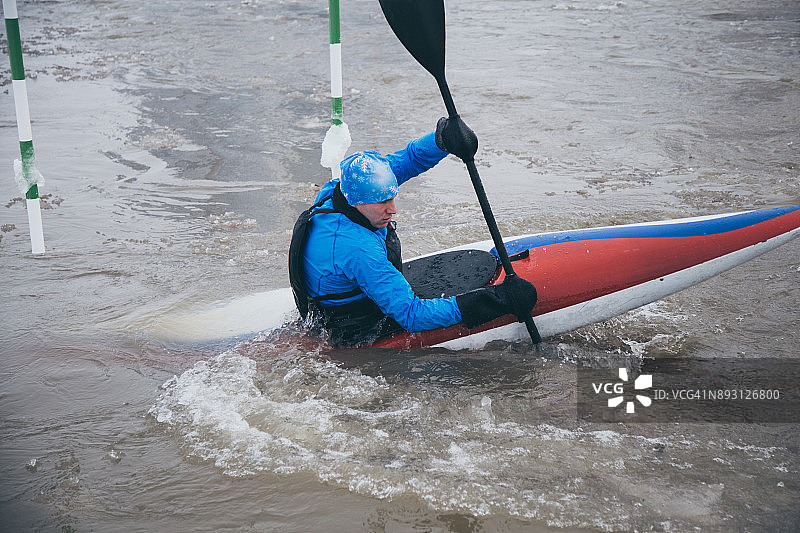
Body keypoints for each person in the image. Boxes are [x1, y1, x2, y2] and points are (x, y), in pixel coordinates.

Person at [288, 116, 538, 346]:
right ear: (357, 202)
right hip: (353, 321)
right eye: (383, 203)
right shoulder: (358, 250)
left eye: (392, 197)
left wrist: (442, 139)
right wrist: (498, 300)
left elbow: (410, 159)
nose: (393, 209)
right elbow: (412, 316)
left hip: (340, 287)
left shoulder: (345, 187)